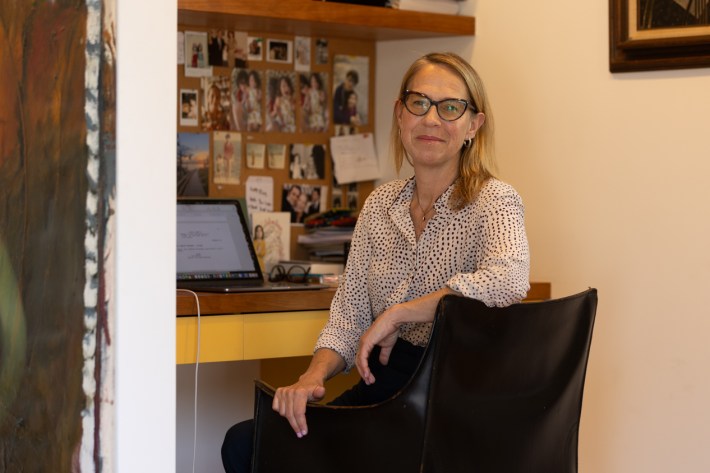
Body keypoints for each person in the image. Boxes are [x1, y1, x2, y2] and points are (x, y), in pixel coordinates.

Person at [221, 51, 530, 472]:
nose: (432, 119)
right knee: (249, 442)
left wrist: (400, 314)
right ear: (400, 114)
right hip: (382, 388)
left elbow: (509, 279)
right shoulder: (380, 204)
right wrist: (314, 375)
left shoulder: (494, 200)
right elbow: (348, 317)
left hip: (451, 404)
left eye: (451, 107)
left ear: (473, 125)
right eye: (419, 103)